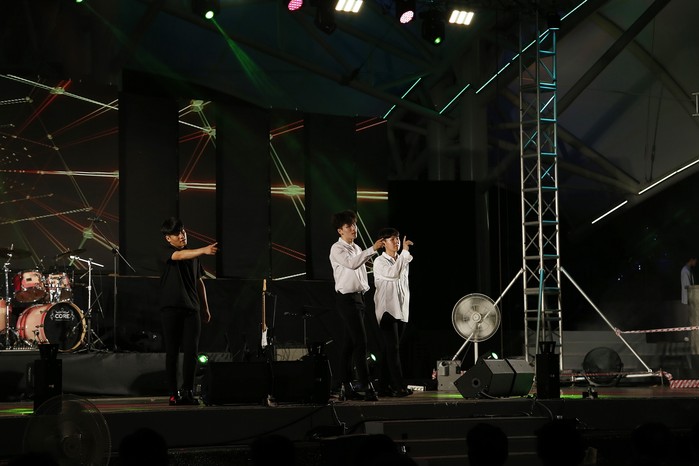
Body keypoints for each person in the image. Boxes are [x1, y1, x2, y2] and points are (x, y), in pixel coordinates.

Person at [158, 217, 217, 406]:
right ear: (168, 238)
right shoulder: (165, 251)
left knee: (192, 352)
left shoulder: (193, 256)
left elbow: (199, 282)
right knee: (172, 352)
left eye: (183, 231)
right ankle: (173, 393)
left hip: (192, 309)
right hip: (171, 308)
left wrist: (205, 307)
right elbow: (179, 256)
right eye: (177, 233)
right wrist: (204, 250)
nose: (182, 235)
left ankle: (188, 391)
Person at [329, 210, 384, 401]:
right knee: (361, 342)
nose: (353, 228)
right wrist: (372, 249)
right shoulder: (337, 248)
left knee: (349, 344)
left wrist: (365, 289)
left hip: (358, 298)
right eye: (349, 226)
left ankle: (343, 386)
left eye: (354, 225)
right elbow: (352, 264)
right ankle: (366, 385)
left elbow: (360, 273)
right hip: (346, 299)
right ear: (340, 230)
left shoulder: (357, 247)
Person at [373, 227, 413, 397]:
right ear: (383, 243)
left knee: (389, 349)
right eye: (392, 239)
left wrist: (403, 256)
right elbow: (393, 274)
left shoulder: (402, 260)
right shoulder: (379, 262)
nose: (396, 241)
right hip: (387, 310)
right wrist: (404, 253)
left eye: (397, 238)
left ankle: (382, 386)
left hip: (401, 310)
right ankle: (398, 386)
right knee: (393, 348)